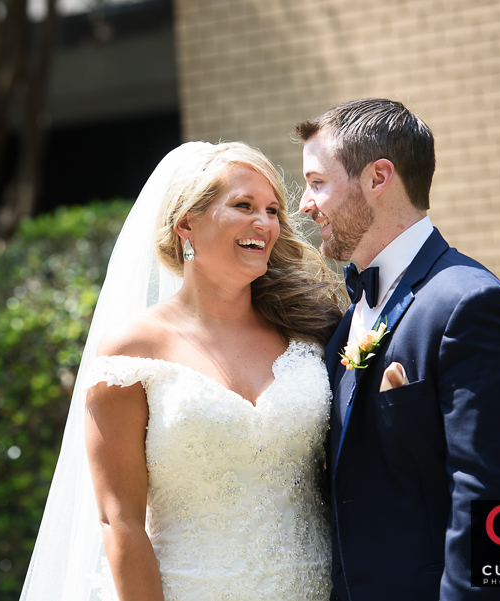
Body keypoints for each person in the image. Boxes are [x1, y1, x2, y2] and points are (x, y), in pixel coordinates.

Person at [19, 141, 342, 601]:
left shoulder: (309, 334)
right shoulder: (132, 350)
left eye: (272, 210)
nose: (265, 223)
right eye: (244, 205)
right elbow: (120, 520)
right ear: (186, 224)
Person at [293, 98, 500, 601]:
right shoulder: (350, 318)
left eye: (317, 182)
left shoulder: (471, 302)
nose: (305, 204)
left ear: (378, 177)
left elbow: (499, 505)